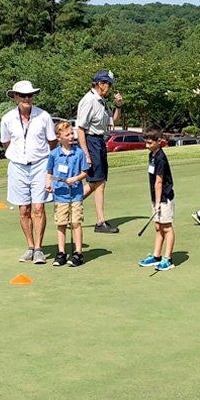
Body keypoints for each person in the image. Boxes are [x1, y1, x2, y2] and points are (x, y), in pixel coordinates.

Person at [0, 80, 57, 264]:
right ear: (15, 97)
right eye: (23, 95)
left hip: (40, 164)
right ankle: (30, 246)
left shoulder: (44, 116)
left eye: (30, 95)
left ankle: (39, 248)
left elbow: (52, 142)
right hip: (17, 166)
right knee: (24, 209)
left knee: (38, 208)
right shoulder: (7, 118)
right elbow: (6, 142)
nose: (27, 99)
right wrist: (17, 155)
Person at [76, 70, 123, 233]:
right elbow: (80, 129)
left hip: (99, 141)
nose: (109, 87)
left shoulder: (102, 101)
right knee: (99, 182)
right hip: (91, 141)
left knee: (95, 182)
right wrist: (86, 153)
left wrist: (118, 105)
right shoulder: (89, 100)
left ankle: (68, 206)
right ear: (100, 84)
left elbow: (113, 121)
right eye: (108, 84)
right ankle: (100, 222)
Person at [45, 122, 88, 267]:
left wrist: (75, 179)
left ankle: (78, 253)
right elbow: (49, 172)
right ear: (59, 137)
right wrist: (48, 183)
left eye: (72, 134)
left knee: (76, 222)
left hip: (75, 194)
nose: (71, 136)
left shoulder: (79, 153)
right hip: (60, 195)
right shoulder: (54, 154)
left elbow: (84, 172)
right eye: (68, 134)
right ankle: (61, 252)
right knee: (61, 223)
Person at [138, 127, 176, 271]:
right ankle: (156, 256)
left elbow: (159, 182)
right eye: (146, 143)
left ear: (158, 142)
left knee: (167, 227)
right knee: (158, 226)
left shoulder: (160, 157)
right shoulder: (152, 155)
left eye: (149, 143)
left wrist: (159, 202)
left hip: (164, 198)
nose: (147, 146)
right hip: (156, 198)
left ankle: (168, 259)